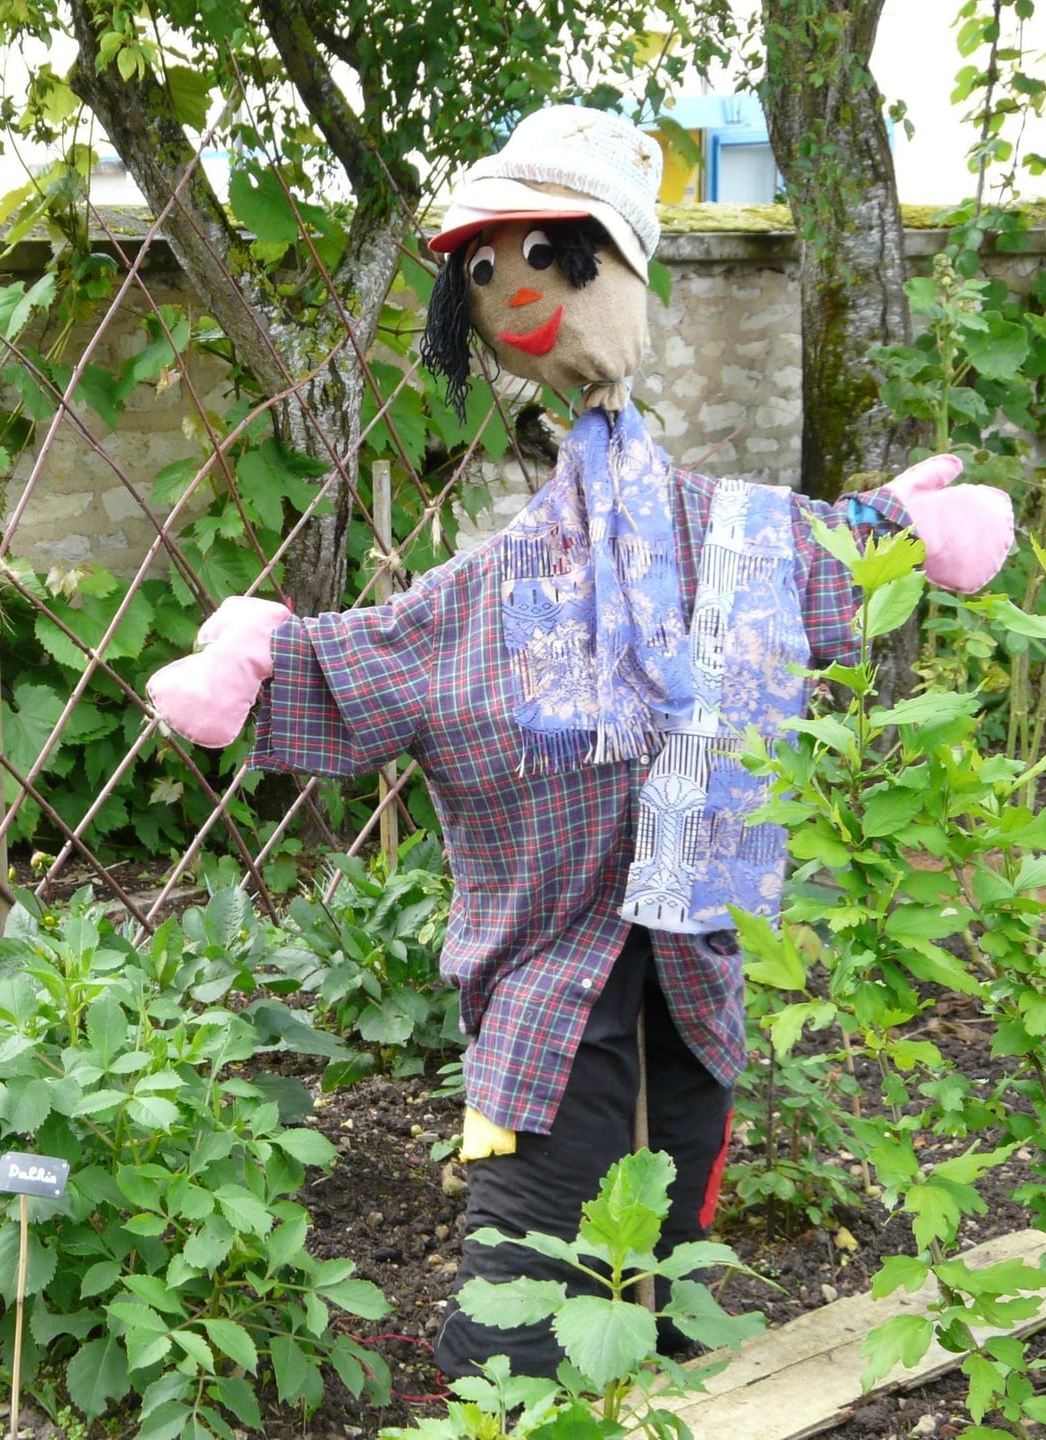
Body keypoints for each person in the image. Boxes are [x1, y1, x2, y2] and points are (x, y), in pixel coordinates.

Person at [146, 106, 1014, 1378]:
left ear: (617, 273)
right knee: (530, 1273)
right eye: (489, 274)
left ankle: (662, 1382)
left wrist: (897, 534)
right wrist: (274, 658)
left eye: (554, 259)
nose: (521, 298)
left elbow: (811, 551)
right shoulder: (495, 590)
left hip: (702, 959)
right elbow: (392, 653)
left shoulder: (724, 536)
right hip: (550, 980)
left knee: (671, 1246)